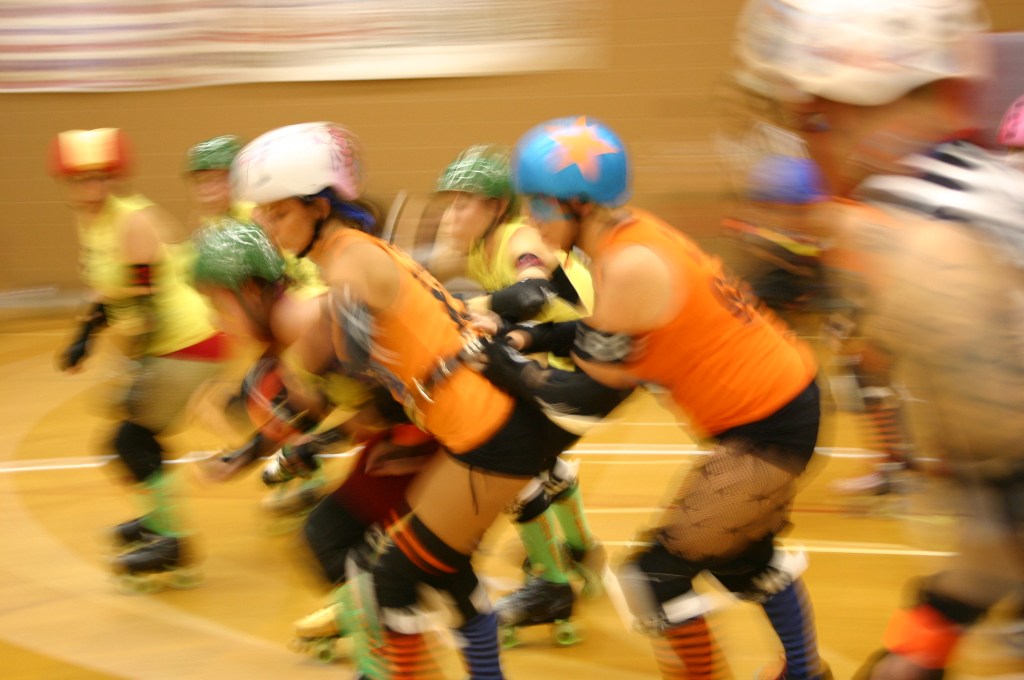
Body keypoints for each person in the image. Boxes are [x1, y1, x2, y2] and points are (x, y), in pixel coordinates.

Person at [231, 121, 631, 680]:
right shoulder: (351, 252)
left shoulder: (349, 261)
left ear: (319, 207)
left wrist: (300, 375)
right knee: (443, 571)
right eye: (263, 214)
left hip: (490, 433)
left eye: (277, 213)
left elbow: (356, 356)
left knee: (393, 581)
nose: (266, 226)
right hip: (481, 425)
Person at [733, 0, 1024, 676]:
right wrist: (926, 640)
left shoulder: (923, 243)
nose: (801, 135)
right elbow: (996, 534)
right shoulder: (967, 195)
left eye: (806, 113)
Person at [503, 115, 829, 679]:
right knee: (741, 554)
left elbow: (585, 399)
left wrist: (497, 361)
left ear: (580, 204)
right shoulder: (631, 238)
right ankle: (806, 673)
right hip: (779, 405)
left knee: (654, 578)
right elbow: (604, 332)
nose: (529, 218)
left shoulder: (628, 262)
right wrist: (529, 339)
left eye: (538, 203)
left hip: (769, 427)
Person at [191, 220, 439, 676]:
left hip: (431, 426)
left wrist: (319, 439)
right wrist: (245, 455)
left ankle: (384, 643)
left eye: (219, 305)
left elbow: (387, 399)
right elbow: (330, 403)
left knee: (340, 540)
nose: (215, 321)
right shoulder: (299, 329)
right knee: (336, 538)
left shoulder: (314, 323)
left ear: (251, 291)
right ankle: (378, 625)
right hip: (414, 425)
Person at [429, 144, 606, 646]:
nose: (450, 214)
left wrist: (475, 306)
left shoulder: (517, 238)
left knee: (503, 453)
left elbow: (533, 294)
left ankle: (551, 583)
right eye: (450, 203)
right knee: (535, 457)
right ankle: (579, 549)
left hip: (586, 360)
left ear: (494, 206)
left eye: (462, 203)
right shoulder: (483, 246)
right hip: (575, 354)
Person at [49, 127, 227, 589]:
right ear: (68, 184)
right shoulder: (93, 223)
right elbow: (110, 290)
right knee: (134, 438)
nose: (92, 188)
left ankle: (172, 543)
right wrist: (84, 335)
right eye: (82, 179)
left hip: (188, 340)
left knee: (129, 439)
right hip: (172, 341)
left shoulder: (132, 221)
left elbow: (144, 305)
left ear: (114, 178)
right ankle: (159, 522)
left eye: (101, 177)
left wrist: (137, 367)